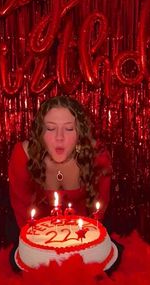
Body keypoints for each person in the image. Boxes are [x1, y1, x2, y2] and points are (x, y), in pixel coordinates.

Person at [8, 95, 112, 230]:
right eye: (51, 128)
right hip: (37, 243)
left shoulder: (98, 155)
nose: (59, 137)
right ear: (40, 132)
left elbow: (99, 214)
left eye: (69, 129)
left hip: (84, 240)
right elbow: (22, 215)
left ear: (80, 133)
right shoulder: (23, 156)